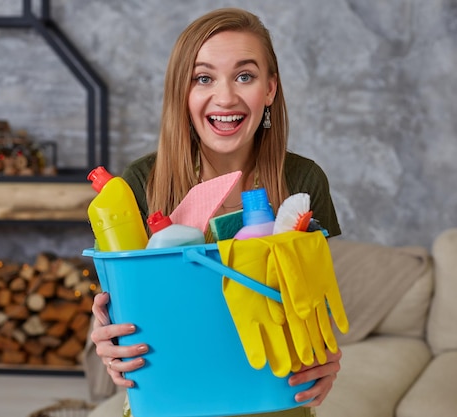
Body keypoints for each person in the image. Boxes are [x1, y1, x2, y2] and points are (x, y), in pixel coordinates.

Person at [90, 8, 342, 417]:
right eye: (203, 78)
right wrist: (104, 335)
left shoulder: (302, 179)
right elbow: (115, 306)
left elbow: (317, 305)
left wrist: (326, 352)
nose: (225, 97)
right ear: (181, 92)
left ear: (271, 89)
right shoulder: (139, 183)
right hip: (168, 403)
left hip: (275, 402)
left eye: (245, 76)